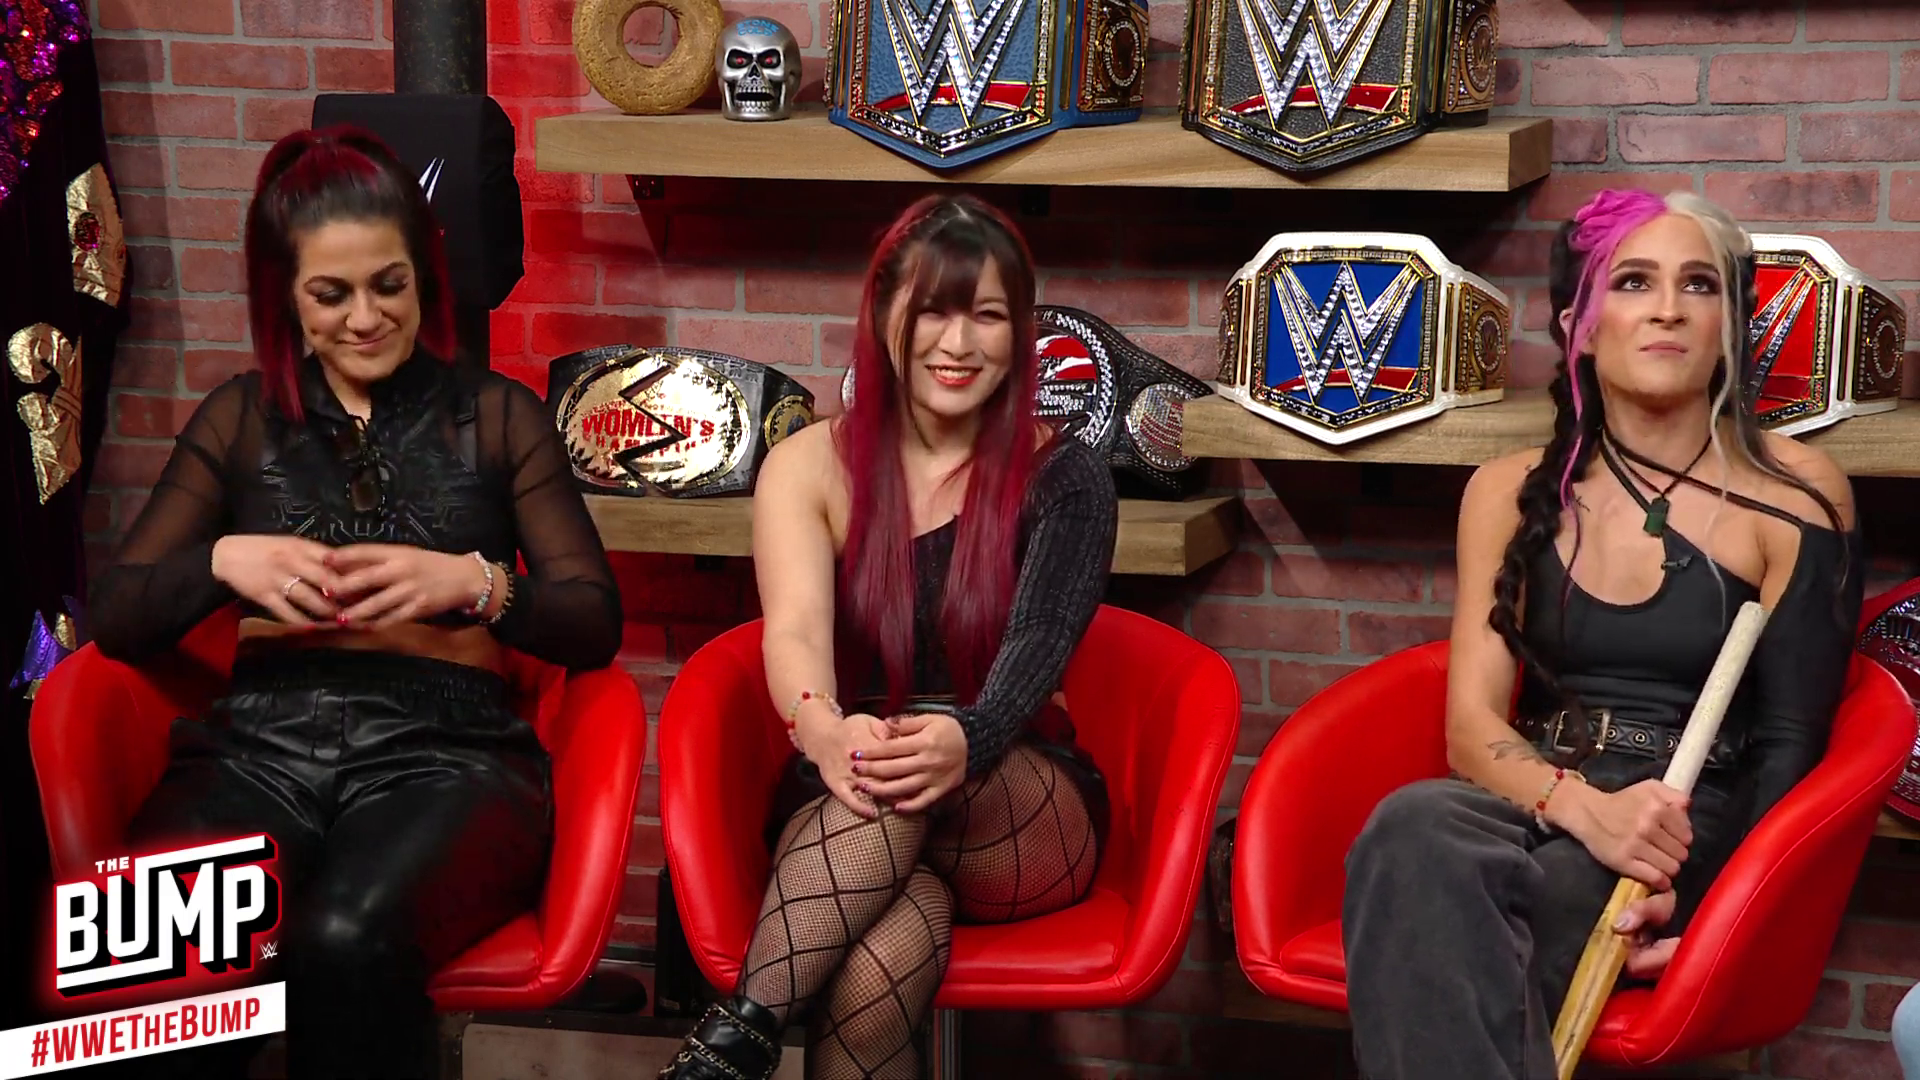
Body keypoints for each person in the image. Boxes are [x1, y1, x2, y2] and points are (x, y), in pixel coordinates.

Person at [78, 126, 622, 1078]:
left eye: (390, 286)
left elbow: (593, 622)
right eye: (331, 294)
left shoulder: (498, 417)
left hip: (447, 757)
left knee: (343, 937)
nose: (367, 318)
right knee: (154, 943)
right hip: (258, 749)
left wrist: (478, 584)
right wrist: (223, 560)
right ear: (286, 297)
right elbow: (118, 617)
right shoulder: (240, 419)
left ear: (423, 279)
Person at [1339, 189, 1862, 1080]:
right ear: (1578, 325)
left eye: (1699, 285)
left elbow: (1789, 747)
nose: (1668, 309)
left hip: (1678, 821)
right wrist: (1583, 808)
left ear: (1730, 327)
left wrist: (1704, 906)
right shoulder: (1506, 492)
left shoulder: (1795, 494)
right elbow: (1470, 729)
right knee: (1410, 827)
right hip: (1542, 791)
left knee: (1505, 912)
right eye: (1634, 281)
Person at [656, 194, 1117, 1080]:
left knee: (901, 776)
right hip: (854, 777)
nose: (958, 343)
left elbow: (1038, 647)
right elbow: (794, 630)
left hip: (1017, 800)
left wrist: (968, 736)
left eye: (987, 316)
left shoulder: (1066, 474)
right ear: (882, 318)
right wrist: (821, 727)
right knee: (876, 969)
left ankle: (731, 1043)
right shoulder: (809, 464)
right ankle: (732, 1049)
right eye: (933, 311)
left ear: (1021, 333)